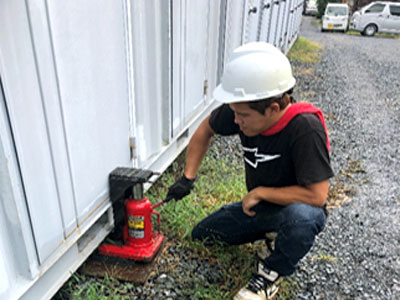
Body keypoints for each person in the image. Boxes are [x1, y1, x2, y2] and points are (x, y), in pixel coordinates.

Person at [166, 42, 334, 300]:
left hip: (295, 207)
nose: (235, 121)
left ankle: (270, 274)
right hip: (259, 208)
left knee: (303, 218)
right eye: (234, 112)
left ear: (274, 109)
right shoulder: (245, 109)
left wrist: (261, 192)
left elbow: (317, 196)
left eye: (242, 115)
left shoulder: (305, 128)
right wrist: (188, 177)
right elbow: (204, 131)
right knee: (204, 235)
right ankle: (271, 234)